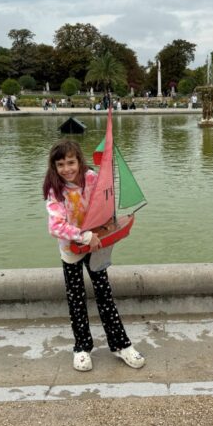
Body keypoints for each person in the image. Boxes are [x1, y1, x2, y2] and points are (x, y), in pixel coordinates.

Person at [43, 139, 146, 372]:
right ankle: (81, 347)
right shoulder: (55, 190)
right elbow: (55, 226)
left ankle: (120, 344)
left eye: (71, 162)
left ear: (79, 160)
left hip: (97, 244)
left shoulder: (91, 178)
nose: (67, 169)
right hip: (72, 249)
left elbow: (105, 198)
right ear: (54, 167)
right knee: (76, 298)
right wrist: (83, 236)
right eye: (61, 164)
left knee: (105, 295)